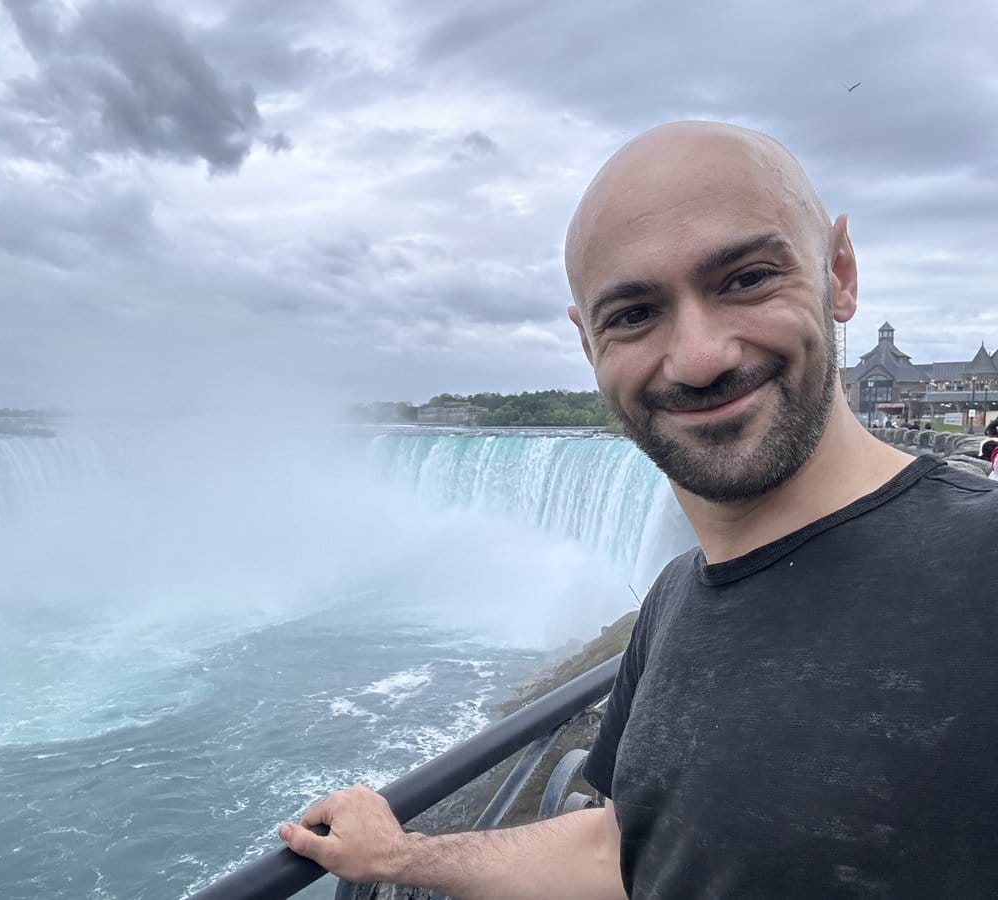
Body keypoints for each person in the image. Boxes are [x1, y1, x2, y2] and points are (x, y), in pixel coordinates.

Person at [278, 122, 998, 898]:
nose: (698, 357)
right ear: (588, 346)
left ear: (840, 274)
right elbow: (621, 850)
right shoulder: (674, 601)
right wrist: (403, 858)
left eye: (747, 278)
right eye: (632, 313)